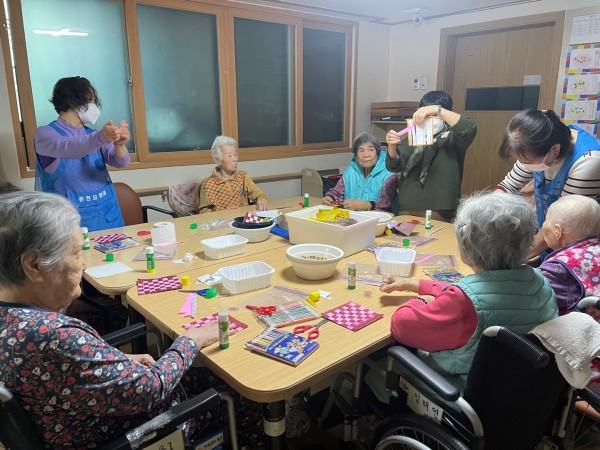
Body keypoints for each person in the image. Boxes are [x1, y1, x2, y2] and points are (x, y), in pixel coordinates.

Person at [0, 191, 230, 448]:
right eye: (76, 254)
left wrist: (114, 362)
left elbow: (62, 373)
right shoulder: (52, 336)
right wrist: (192, 340)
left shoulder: (13, 320)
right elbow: (153, 388)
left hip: (83, 414)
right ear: (34, 265)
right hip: (134, 432)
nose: (84, 264)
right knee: (232, 393)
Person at [379, 191, 557, 384]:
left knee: (377, 367)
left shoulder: (463, 303)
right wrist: (417, 285)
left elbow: (400, 326)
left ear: (466, 247)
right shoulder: (541, 282)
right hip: (522, 387)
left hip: (458, 389)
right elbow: (482, 293)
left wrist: (421, 300)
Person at [496, 109, 600, 259]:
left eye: (528, 161)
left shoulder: (588, 161)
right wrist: (486, 214)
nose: (524, 164)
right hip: (551, 237)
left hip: (579, 252)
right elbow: (507, 187)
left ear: (554, 150)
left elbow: (565, 222)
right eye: (521, 160)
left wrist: (513, 259)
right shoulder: (539, 146)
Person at [34, 76, 131, 232]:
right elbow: (69, 148)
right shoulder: (44, 134)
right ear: (74, 101)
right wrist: (102, 137)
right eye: (91, 100)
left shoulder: (93, 134)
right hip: (70, 227)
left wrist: (119, 144)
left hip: (109, 218)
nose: (94, 106)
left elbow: (121, 162)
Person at [385, 91, 477, 221]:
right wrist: (391, 146)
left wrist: (437, 110)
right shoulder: (415, 135)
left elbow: (468, 128)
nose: (428, 118)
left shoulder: (453, 137)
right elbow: (394, 165)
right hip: (408, 205)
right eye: (424, 113)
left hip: (440, 207)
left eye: (433, 115)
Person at [539, 195, 600, 315]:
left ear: (557, 231)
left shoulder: (556, 269)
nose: (543, 225)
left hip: (585, 325)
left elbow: (540, 305)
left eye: (546, 220)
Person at [322, 132, 395, 211]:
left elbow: (385, 203)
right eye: (361, 150)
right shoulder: (351, 170)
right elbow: (338, 191)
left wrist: (364, 205)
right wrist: (330, 197)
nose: (366, 155)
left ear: (378, 153)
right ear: (356, 154)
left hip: (378, 217)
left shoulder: (388, 173)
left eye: (371, 150)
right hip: (351, 216)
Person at [197, 135, 269, 213]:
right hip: (221, 220)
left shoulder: (243, 177)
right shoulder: (207, 184)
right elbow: (203, 213)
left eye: (235, 154)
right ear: (217, 160)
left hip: (243, 219)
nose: (235, 159)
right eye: (230, 156)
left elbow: (260, 194)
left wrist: (261, 199)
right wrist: (225, 212)